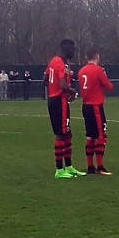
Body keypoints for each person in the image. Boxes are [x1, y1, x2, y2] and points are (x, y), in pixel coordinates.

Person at [45, 39, 83, 178]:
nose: (73, 52)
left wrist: (53, 91)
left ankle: (69, 166)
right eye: (72, 50)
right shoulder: (62, 64)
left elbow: (45, 80)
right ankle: (59, 169)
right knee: (61, 134)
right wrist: (72, 92)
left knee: (67, 133)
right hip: (59, 101)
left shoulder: (53, 61)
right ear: (66, 49)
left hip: (53, 100)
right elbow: (62, 86)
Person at [78, 49, 113, 175]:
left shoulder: (81, 71)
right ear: (96, 57)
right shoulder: (98, 70)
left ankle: (90, 167)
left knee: (90, 136)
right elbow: (109, 87)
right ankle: (100, 167)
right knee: (101, 136)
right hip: (96, 106)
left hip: (85, 106)